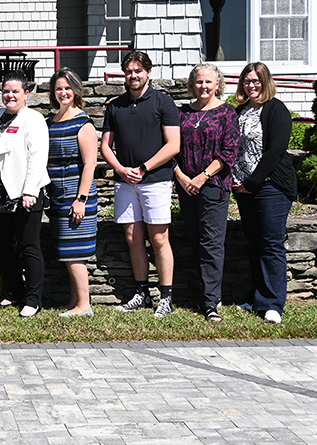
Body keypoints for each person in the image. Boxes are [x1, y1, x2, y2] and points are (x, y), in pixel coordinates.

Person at [100, 51, 181, 317]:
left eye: (138, 71)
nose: (133, 76)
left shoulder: (163, 102)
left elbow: (173, 145)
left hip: (155, 180)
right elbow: (105, 146)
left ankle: (166, 297)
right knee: (133, 238)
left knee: (159, 237)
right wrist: (121, 169)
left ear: (148, 72)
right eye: (128, 71)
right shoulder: (116, 105)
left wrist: (144, 168)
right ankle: (142, 293)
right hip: (125, 182)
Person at [0, 71, 51, 319]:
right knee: (0, 244)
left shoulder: (33, 119)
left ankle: (33, 299)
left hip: (24, 192)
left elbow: (38, 157)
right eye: (7, 91)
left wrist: (30, 190)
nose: (10, 95)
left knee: (29, 246)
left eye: (16, 91)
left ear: (26, 94)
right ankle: (14, 291)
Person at [174, 63, 241, 323]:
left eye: (208, 82)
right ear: (193, 84)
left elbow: (229, 150)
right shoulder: (183, 114)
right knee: (194, 240)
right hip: (186, 186)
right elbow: (172, 147)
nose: (203, 86)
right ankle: (202, 292)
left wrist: (203, 176)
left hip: (213, 186)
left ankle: (211, 302)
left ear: (218, 85)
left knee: (211, 243)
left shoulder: (227, 113)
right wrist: (181, 177)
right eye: (199, 82)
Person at [231, 62, 297, 324]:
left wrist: (253, 182)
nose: (251, 85)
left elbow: (275, 151)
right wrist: (239, 183)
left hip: (270, 187)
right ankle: (257, 298)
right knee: (255, 243)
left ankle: (273, 305)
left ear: (266, 82)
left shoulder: (275, 109)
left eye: (256, 81)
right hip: (244, 189)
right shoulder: (241, 111)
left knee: (271, 244)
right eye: (247, 81)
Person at [45, 68, 100, 318]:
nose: (63, 92)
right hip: (57, 198)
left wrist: (81, 199)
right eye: (59, 88)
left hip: (76, 199)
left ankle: (84, 305)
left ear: (76, 90)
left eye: (68, 88)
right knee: (67, 253)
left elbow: (90, 164)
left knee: (76, 253)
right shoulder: (51, 121)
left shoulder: (83, 123)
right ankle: (74, 300)